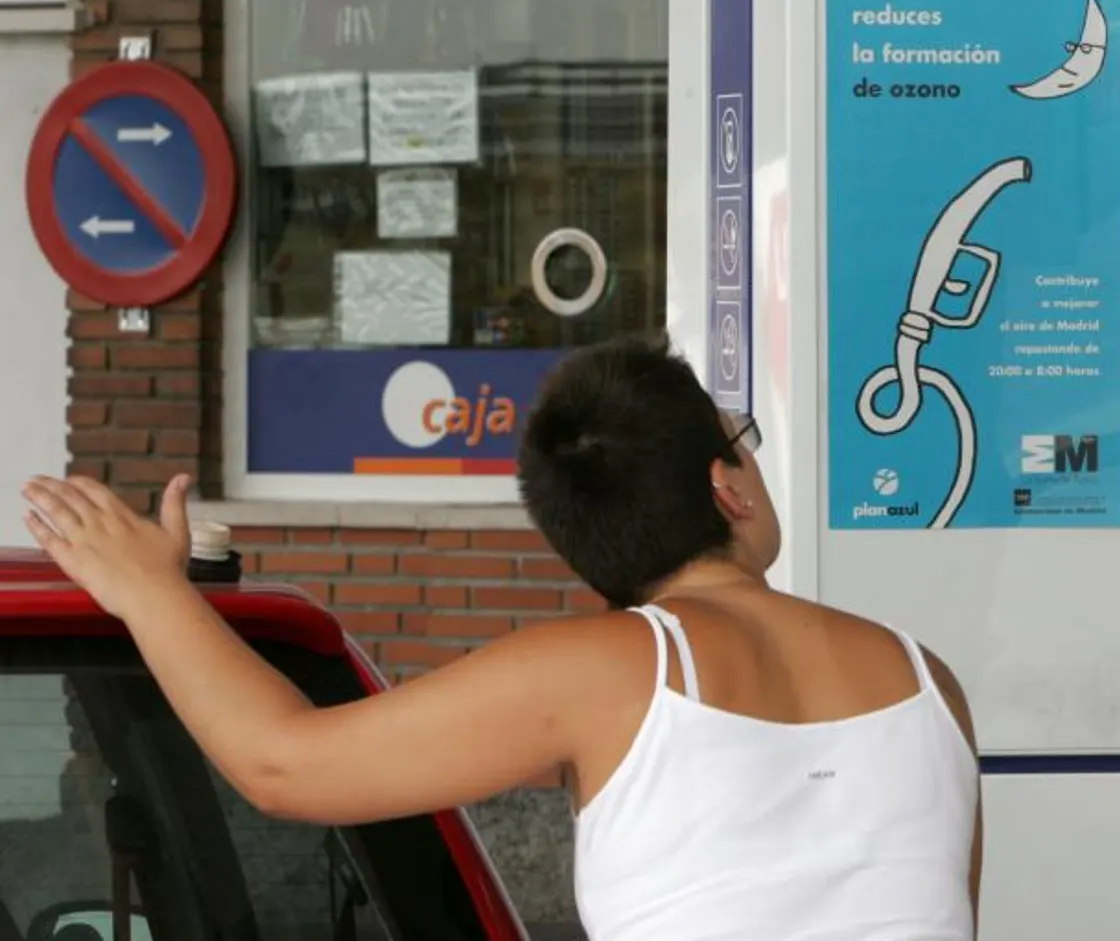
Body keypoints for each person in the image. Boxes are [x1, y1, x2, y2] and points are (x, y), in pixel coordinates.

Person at [22, 334, 983, 941]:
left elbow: (284, 764)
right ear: (726, 487)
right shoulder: (928, 679)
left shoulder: (602, 672)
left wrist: (150, 591)